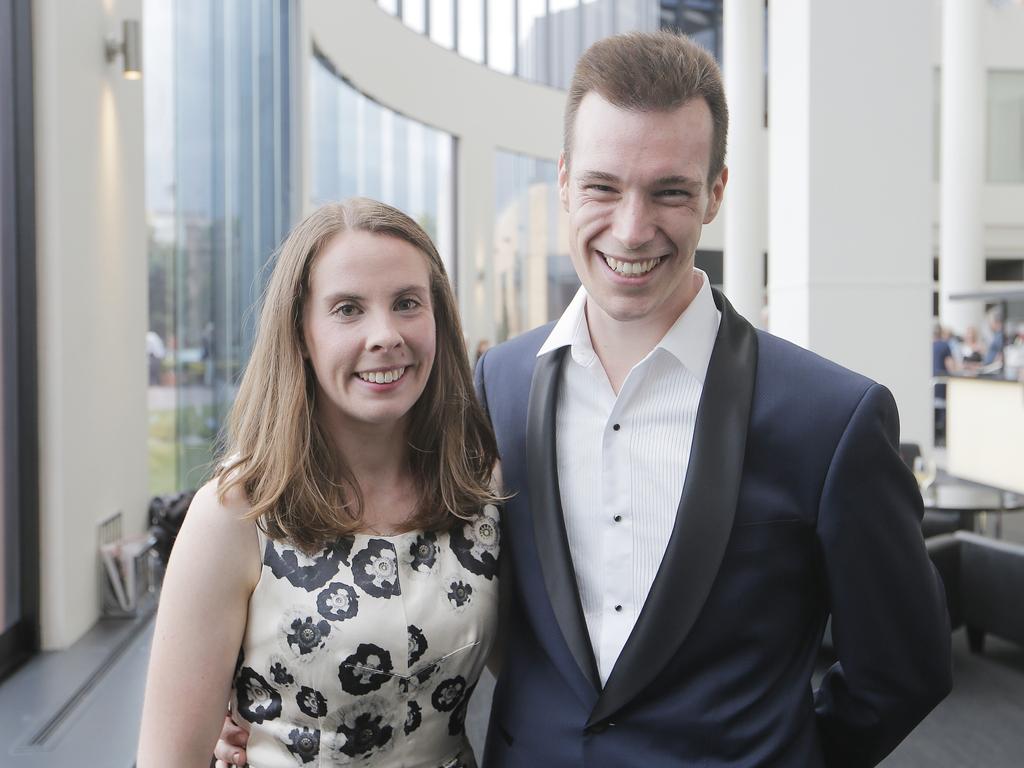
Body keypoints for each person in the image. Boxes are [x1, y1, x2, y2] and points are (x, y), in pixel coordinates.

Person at [217, 31, 952, 768]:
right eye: (603, 186)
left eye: (669, 190)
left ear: (715, 193)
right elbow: (412, 573)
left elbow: (902, 670)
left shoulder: (831, 418)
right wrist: (266, 705)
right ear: (565, 182)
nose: (631, 229)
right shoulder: (493, 387)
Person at [139, 199, 503, 767]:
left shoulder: (479, 491)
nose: (385, 334)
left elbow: (539, 670)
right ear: (300, 334)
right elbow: (167, 759)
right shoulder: (238, 512)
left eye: (407, 303)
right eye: (348, 309)